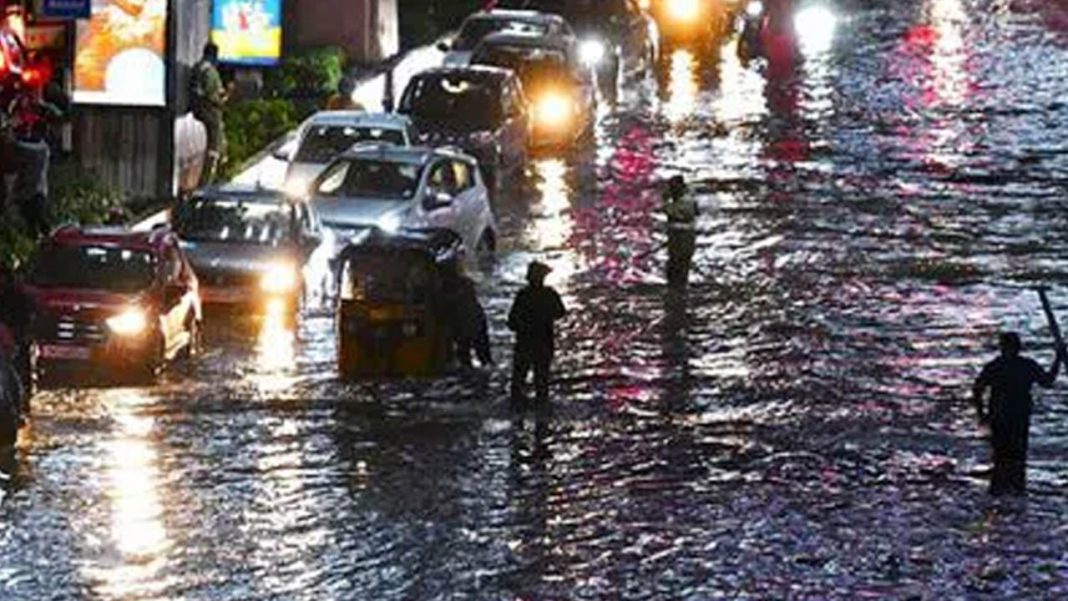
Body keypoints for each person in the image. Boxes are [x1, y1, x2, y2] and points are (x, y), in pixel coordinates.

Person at [973, 332, 1065, 496]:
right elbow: (1047, 381)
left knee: (1002, 458)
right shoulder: (1026, 365)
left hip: (1001, 416)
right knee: (1016, 458)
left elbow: (977, 389)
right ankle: (1014, 493)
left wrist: (982, 413)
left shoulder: (996, 365)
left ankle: (1001, 494)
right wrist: (1058, 359)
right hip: (1017, 416)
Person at [508, 261, 566, 406]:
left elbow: (512, 321)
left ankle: (517, 413)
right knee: (542, 381)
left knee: (518, 380)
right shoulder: (550, 294)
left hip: (524, 342)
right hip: (544, 341)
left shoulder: (523, 295)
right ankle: (542, 415)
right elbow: (560, 312)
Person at [191, 43, 228, 187]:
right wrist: (223, 99)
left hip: (197, 112)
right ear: (214, 55)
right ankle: (206, 184)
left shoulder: (198, 67)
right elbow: (211, 94)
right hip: (210, 113)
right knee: (214, 149)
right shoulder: (210, 71)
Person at [443, 264, 492, 369]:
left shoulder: (449, 287)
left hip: (466, 323)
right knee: (482, 354)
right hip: (474, 321)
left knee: (467, 353)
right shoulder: (466, 283)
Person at [663, 175, 698, 288]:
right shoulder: (681, 199)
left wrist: (666, 203)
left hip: (682, 238)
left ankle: (678, 286)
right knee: (675, 263)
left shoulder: (686, 201)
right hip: (677, 238)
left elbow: (672, 213)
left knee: (679, 263)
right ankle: (676, 285)